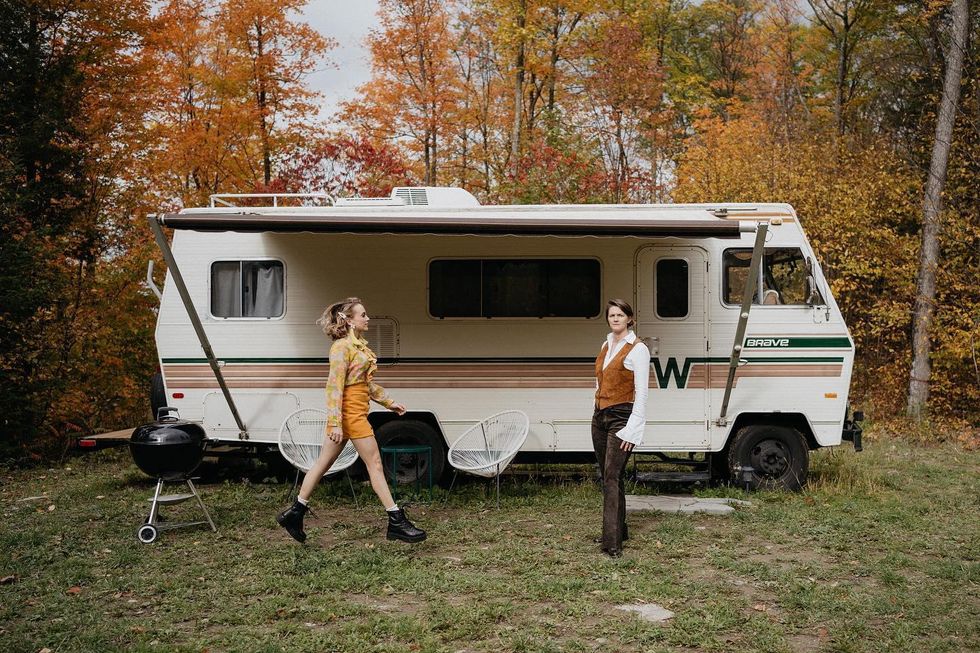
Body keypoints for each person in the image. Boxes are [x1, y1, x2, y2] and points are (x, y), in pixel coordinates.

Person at [277, 297, 427, 544]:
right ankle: (396, 521)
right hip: (350, 415)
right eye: (363, 315)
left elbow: (365, 385)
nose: (368, 318)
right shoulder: (341, 348)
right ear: (349, 320)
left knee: (322, 463)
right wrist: (336, 422)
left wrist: (389, 402)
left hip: (354, 412)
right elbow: (334, 387)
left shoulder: (357, 347)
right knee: (375, 464)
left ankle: (294, 513)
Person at [592, 299, 650, 557]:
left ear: (629, 318)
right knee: (608, 475)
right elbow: (600, 381)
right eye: (611, 315)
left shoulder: (638, 349)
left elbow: (642, 393)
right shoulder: (606, 345)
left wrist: (633, 429)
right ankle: (618, 530)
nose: (615, 319)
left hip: (622, 417)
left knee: (612, 476)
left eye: (620, 315)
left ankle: (612, 542)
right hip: (600, 416)